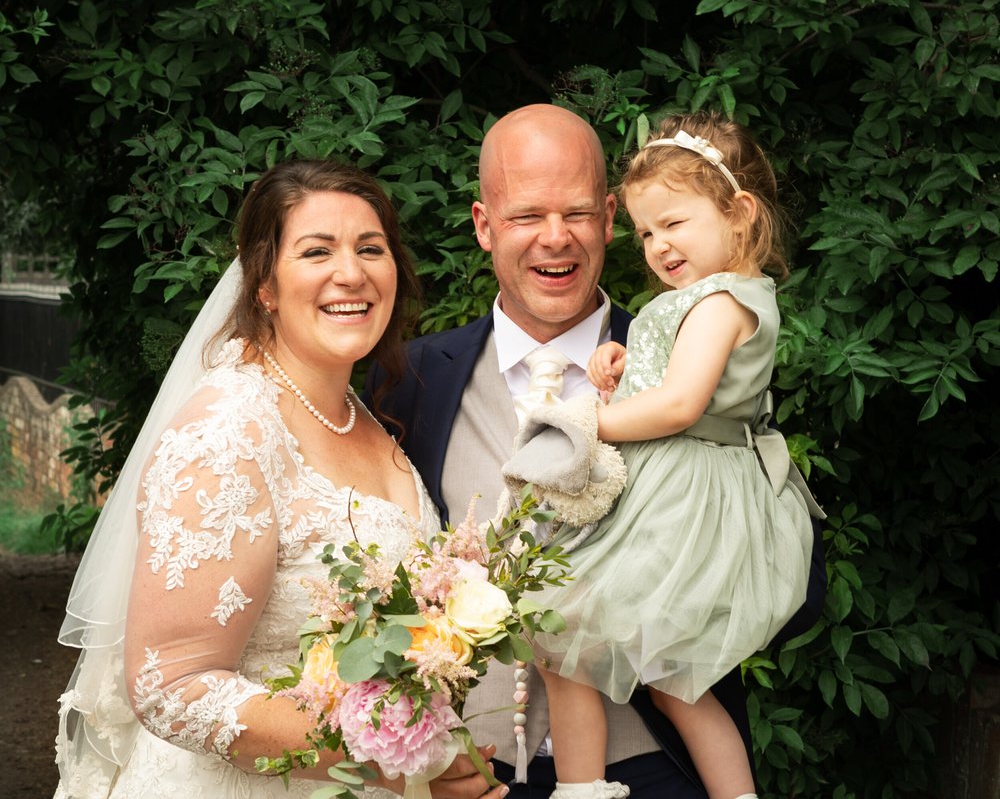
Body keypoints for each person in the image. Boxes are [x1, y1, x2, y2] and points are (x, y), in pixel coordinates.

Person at [367, 104, 826, 798]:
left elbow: (772, 548)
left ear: (608, 218)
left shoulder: (690, 351)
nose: (556, 238)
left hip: (654, 765)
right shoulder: (410, 377)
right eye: (526, 216)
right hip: (466, 774)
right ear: (485, 226)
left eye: (577, 213)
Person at [53, 160, 509, 799]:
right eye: (317, 250)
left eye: (370, 249)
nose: (350, 272)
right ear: (264, 284)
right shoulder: (228, 431)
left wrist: (433, 743)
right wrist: (403, 759)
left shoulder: (363, 417)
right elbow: (171, 684)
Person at [520, 112, 823, 799]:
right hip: (671, 486)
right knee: (663, 681)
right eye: (646, 233)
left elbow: (683, 404)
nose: (658, 245)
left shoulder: (720, 304)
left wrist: (592, 419)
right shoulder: (694, 301)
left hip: (687, 498)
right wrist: (624, 362)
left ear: (739, 214)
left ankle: (586, 787)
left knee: (574, 638)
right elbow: (670, 378)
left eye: (674, 224)